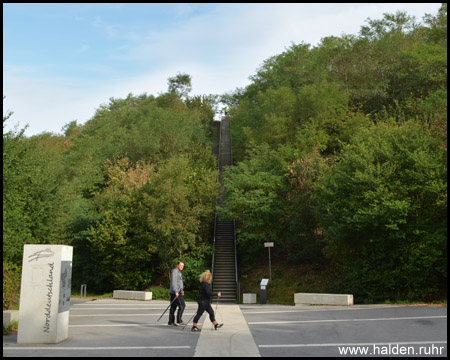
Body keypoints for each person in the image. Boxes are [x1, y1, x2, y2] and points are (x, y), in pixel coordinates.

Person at [168, 261, 186, 326]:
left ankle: (171, 322)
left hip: (178, 292)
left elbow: (180, 283)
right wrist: (176, 291)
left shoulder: (179, 272)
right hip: (175, 292)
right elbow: (174, 283)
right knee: (182, 305)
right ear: (177, 265)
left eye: (183, 266)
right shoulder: (175, 272)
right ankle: (179, 320)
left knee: (173, 307)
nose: (182, 267)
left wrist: (182, 291)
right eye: (181, 265)